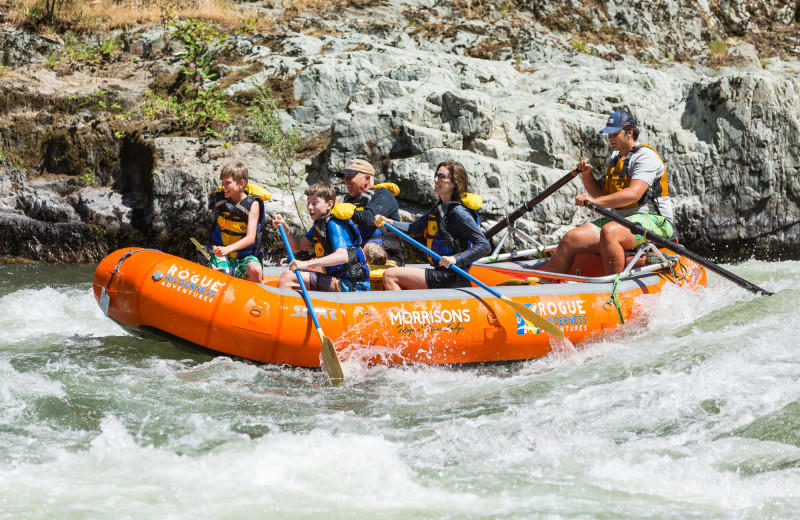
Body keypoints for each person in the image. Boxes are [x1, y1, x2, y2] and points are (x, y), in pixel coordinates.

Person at [546, 110, 675, 275]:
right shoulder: (616, 158)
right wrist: (587, 174)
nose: (611, 138)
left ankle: (613, 289)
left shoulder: (645, 157)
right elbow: (600, 193)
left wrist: (593, 203)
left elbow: (633, 195)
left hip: (656, 221)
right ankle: (545, 287)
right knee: (571, 238)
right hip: (622, 221)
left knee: (610, 232)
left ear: (629, 133)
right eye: (609, 134)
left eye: (615, 134)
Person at [373, 160, 490, 290]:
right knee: (394, 272)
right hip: (441, 273)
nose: (435, 180)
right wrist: (389, 222)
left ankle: (400, 310)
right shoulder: (439, 208)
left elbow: (484, 245)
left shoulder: (458, 212)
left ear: (455, 182)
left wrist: (455, 259)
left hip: (452, 276)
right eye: (436, 175)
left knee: (390, 275)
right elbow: (413, 228)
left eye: (441, 177)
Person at [272, 182, 370, 292]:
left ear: (329, 204)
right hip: (338, 279)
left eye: (314, 203)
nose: (309, 207)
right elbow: (297, 246)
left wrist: (305, 264)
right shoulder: (319, 225)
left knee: (287, 277)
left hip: (352, 285)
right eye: (308, 203)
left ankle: (285, 309)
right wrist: (285, 227)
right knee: (291, 273)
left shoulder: (335, 224)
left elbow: (343, 256)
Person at [330, 159, 404, 265]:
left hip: (385, 261)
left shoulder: (383, 195)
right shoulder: (348, 200)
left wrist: (350, 212)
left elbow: (370, 219)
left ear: (367, 179)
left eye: (350, 177)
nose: (346, 181)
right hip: (357, 261)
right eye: (345, 178)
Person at [206, 160, 270, 283]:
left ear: (241, 184)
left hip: (244, 256)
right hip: (222, 255)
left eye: (228, 183)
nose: (223, 187)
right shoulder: (222, 200)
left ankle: (255, 298)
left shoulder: (253, 204)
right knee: (219, 271)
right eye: (222, 183)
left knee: (255, 269)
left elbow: (250, 238)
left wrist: (228, 249)